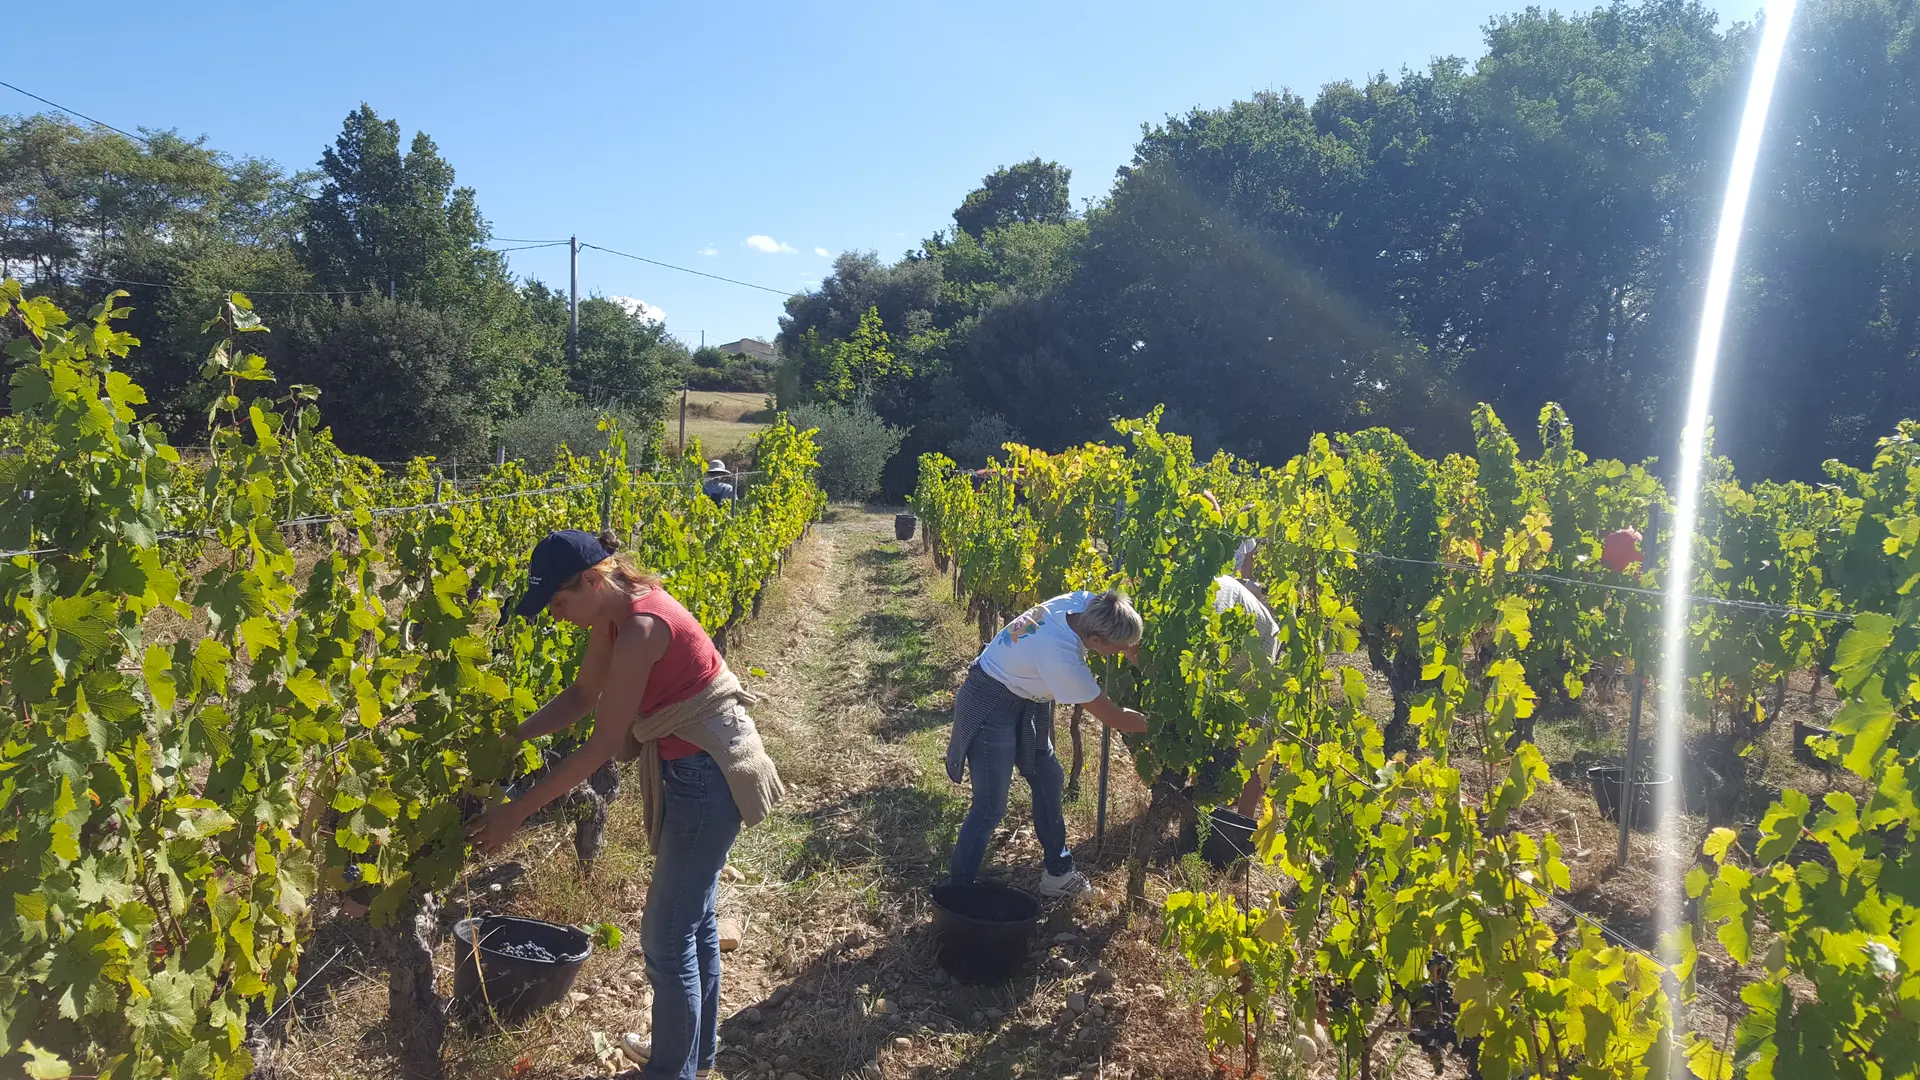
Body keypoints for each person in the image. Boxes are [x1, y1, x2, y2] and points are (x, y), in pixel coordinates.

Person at [466, 529, 783, 1080]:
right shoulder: (615, 616)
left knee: (665, 937)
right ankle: (693, 1057)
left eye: (561, 603)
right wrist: (512, 738)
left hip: (707, 776)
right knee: (695, 923)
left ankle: (671, 1071)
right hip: (693, 768)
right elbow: (582, 695)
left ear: (592, 579)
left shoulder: (639, 627)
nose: (558, 615)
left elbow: (604, 745)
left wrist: (516, 811)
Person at [947, 589, 1150, 900]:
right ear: (1095, 641)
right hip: (989, 701)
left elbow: (1124, 636)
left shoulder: (1088, 603)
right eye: (1119, 648)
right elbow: (1113, 717)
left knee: (1048, 779)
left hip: (1028, 697)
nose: (1124, 651)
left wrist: (1146, 665)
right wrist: (1160, 724)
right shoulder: (1061, 656)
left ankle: (1058, 873)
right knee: (990, 806)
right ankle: (957, 892)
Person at [1211, 574, 1281, 819]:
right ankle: (1202, 807)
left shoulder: (1214, 610)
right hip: (1229, 645)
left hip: (1259, 639)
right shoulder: (1183, 596)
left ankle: (1244, 820)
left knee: (1256, 732)